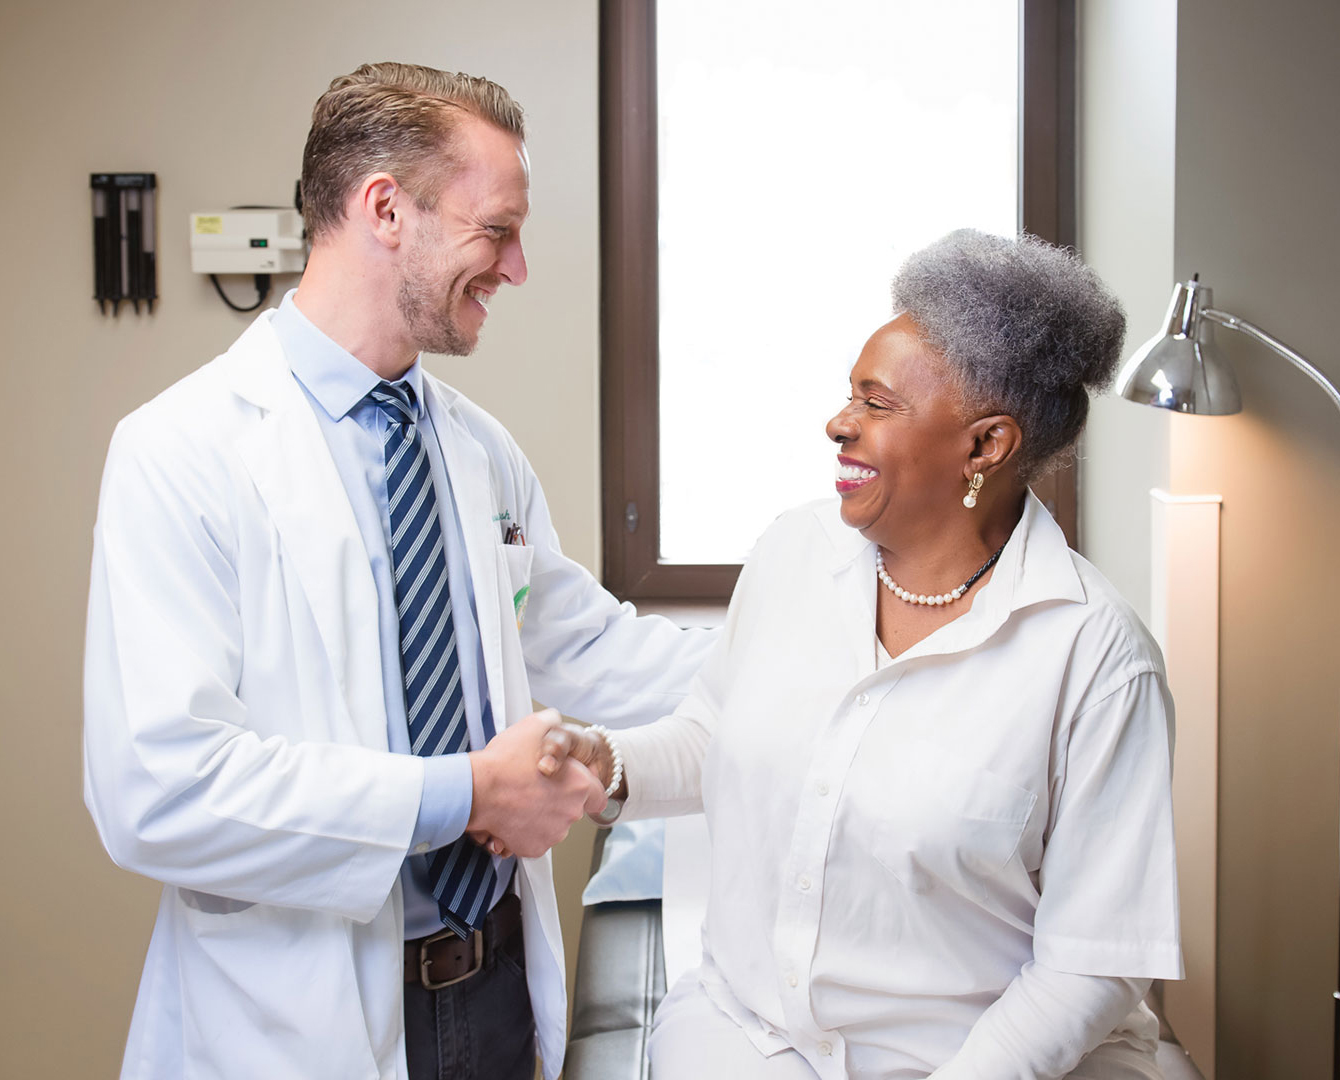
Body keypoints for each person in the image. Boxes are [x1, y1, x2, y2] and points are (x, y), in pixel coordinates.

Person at [82, 62, 713, 1080]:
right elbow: (158, 787)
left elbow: (588, 648)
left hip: (494, 992)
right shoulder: (183, 450)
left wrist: (823, 671)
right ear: (385, 209)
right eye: (495, 230)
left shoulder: (476, 451)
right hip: (295, 1017)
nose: (513, 268)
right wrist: (461, 795)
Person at [540, 230, 1183, 1079]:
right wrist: (609, 761)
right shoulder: (793, 554)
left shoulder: (1096, 659)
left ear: (985, 446)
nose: (838, 423)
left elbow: (1094, 960)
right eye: (851, 396)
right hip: (750, 1038)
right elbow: (716, 735)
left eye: (877, 405)